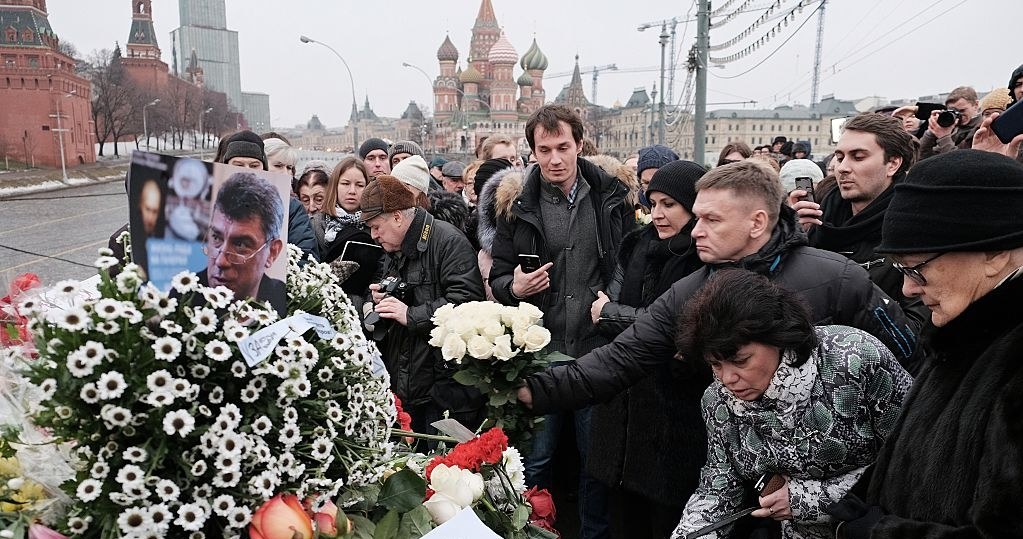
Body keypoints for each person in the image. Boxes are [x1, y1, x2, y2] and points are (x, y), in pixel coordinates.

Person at [517, 160, 920, 415]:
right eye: (698, 218)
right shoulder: (692, 289)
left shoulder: (838, 278)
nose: (697, 232)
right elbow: (621, 358)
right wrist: (531, 392)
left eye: (712, 220)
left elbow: (908, 359)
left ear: (757, 222)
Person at [831, 149, 1023, 538]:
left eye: (916, 269)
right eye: (900, 269)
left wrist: (875, 531)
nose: (907, 288)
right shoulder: (963, 333)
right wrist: (862, 496)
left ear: (994, 253)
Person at [671, 269, 911, 539]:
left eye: (740, 361)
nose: (727, 378)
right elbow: (719, 488)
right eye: (715, 364)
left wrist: (805, 500)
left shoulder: (855, 358)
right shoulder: (718, 401)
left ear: (778, 338)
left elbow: (912, 460)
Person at [489, 104, 633, 539]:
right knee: (537, 460)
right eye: (543, 149)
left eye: (562, 147)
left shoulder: (611, 197)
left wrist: (613, 299)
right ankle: (535, 531)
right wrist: (514, 288)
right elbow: (498, 276)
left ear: (579, 145)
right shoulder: (516, 205)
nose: (554, 159)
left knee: (595, 462)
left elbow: (627, 261)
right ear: (532, 151)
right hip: (539, 354)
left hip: (597, 350)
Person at [587, 160, 708, 539]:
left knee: (667, 519)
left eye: (669, 204)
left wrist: (613, 315)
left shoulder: (702, 256)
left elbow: (679, 328)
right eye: (652, 203)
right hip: (625, 404)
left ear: (693, 207)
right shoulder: (635, 244)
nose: (657, 214)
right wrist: (616, 316)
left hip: (677, 412)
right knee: (626, 516)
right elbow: (611, 312)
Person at [360, 175, 485, 436]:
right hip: (410, 381)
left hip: (446, 386)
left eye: (376, 226)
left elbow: (468, 302)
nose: (373, 235)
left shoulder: (448, 241)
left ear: (396, 217)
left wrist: (410, 314)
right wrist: (381, 300)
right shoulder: (395, 247)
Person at [792, 112, 930, 332]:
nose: (842, 168)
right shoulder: (818, 220)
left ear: (893, 164)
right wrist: (793, 239)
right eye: (839, 157)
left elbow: (918, 332)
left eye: (858, 157)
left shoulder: (916, 229)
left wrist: (850, 285)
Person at [220, 130, 319, 262]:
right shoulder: (210, 201)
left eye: (254, 165)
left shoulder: (292, 208)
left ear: (263, 168)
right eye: (238, 165)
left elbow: (305, 256)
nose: (247, 170)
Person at [200, 171, 286, 315]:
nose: (221, 261)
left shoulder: (283, 302)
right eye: (216, 238)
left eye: (240, 245)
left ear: (272, 252)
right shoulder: (183, 297)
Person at [312, 157, 378, 298]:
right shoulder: (316, 224)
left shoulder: (376, 226)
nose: (352, 191)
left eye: (360, 185)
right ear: (335, 185)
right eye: (345, 183)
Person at [918, 86, 982, 157]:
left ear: (976, 105)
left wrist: (944, 137)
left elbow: (961, 162)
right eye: (954, 112)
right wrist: (931, 131)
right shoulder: (951, 128)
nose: (959, 115)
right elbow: (922, 156)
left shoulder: (982, 129)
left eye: (962, 110)